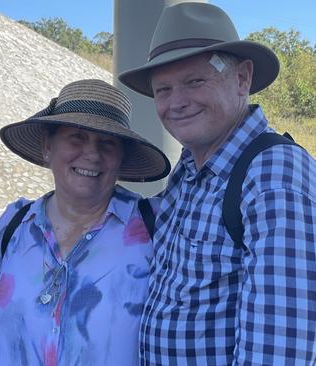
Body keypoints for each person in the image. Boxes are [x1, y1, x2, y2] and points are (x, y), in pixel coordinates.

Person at [118, 2, 316, 364]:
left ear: (242, 78)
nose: (176, 103)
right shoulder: (190, 172)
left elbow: (278, 353)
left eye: (195, 81)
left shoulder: (273, 173)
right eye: (163, 90)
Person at [0, 79, 171, 365]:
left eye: (107, 143)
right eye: (77, 138)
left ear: (121, 158)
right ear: (47, 145)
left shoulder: (154, 227)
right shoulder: (14, 226)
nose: (92, 154)